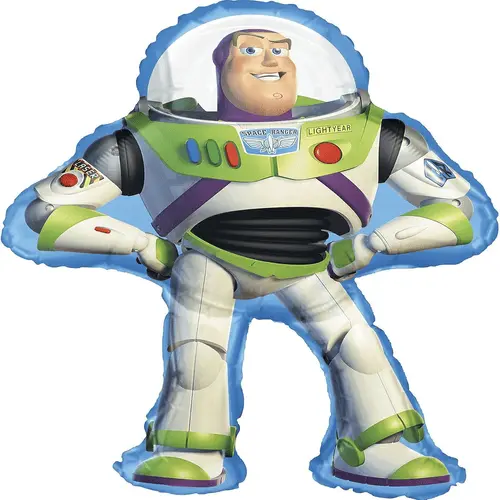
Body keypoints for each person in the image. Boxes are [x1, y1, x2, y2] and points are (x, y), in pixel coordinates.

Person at [25, 29, 473, 487]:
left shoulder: (365, 133)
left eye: (280, 51)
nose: (271, 61)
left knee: (357, 345)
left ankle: (376, 447)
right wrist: (138, 244)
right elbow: (48, 211)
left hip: (310, 263)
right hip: (209, 262)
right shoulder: (153, 137)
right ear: (221, 66)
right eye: (252, 50)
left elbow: (456, 209)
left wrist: (373, 244)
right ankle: (189, 448)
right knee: (198, 352)